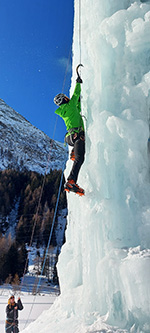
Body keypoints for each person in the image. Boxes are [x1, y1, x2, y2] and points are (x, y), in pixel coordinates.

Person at [54, 65, 85, 196]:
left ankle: (73, 152)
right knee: (80, 158)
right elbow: (76, 95)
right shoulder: (70, 105)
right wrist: (78, 81)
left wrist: (77, 101)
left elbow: (76, 107)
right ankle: (71, 181)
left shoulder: (66, 111)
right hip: (76, 135)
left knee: (79, 151)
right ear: (65, 100)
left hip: (69, 137)